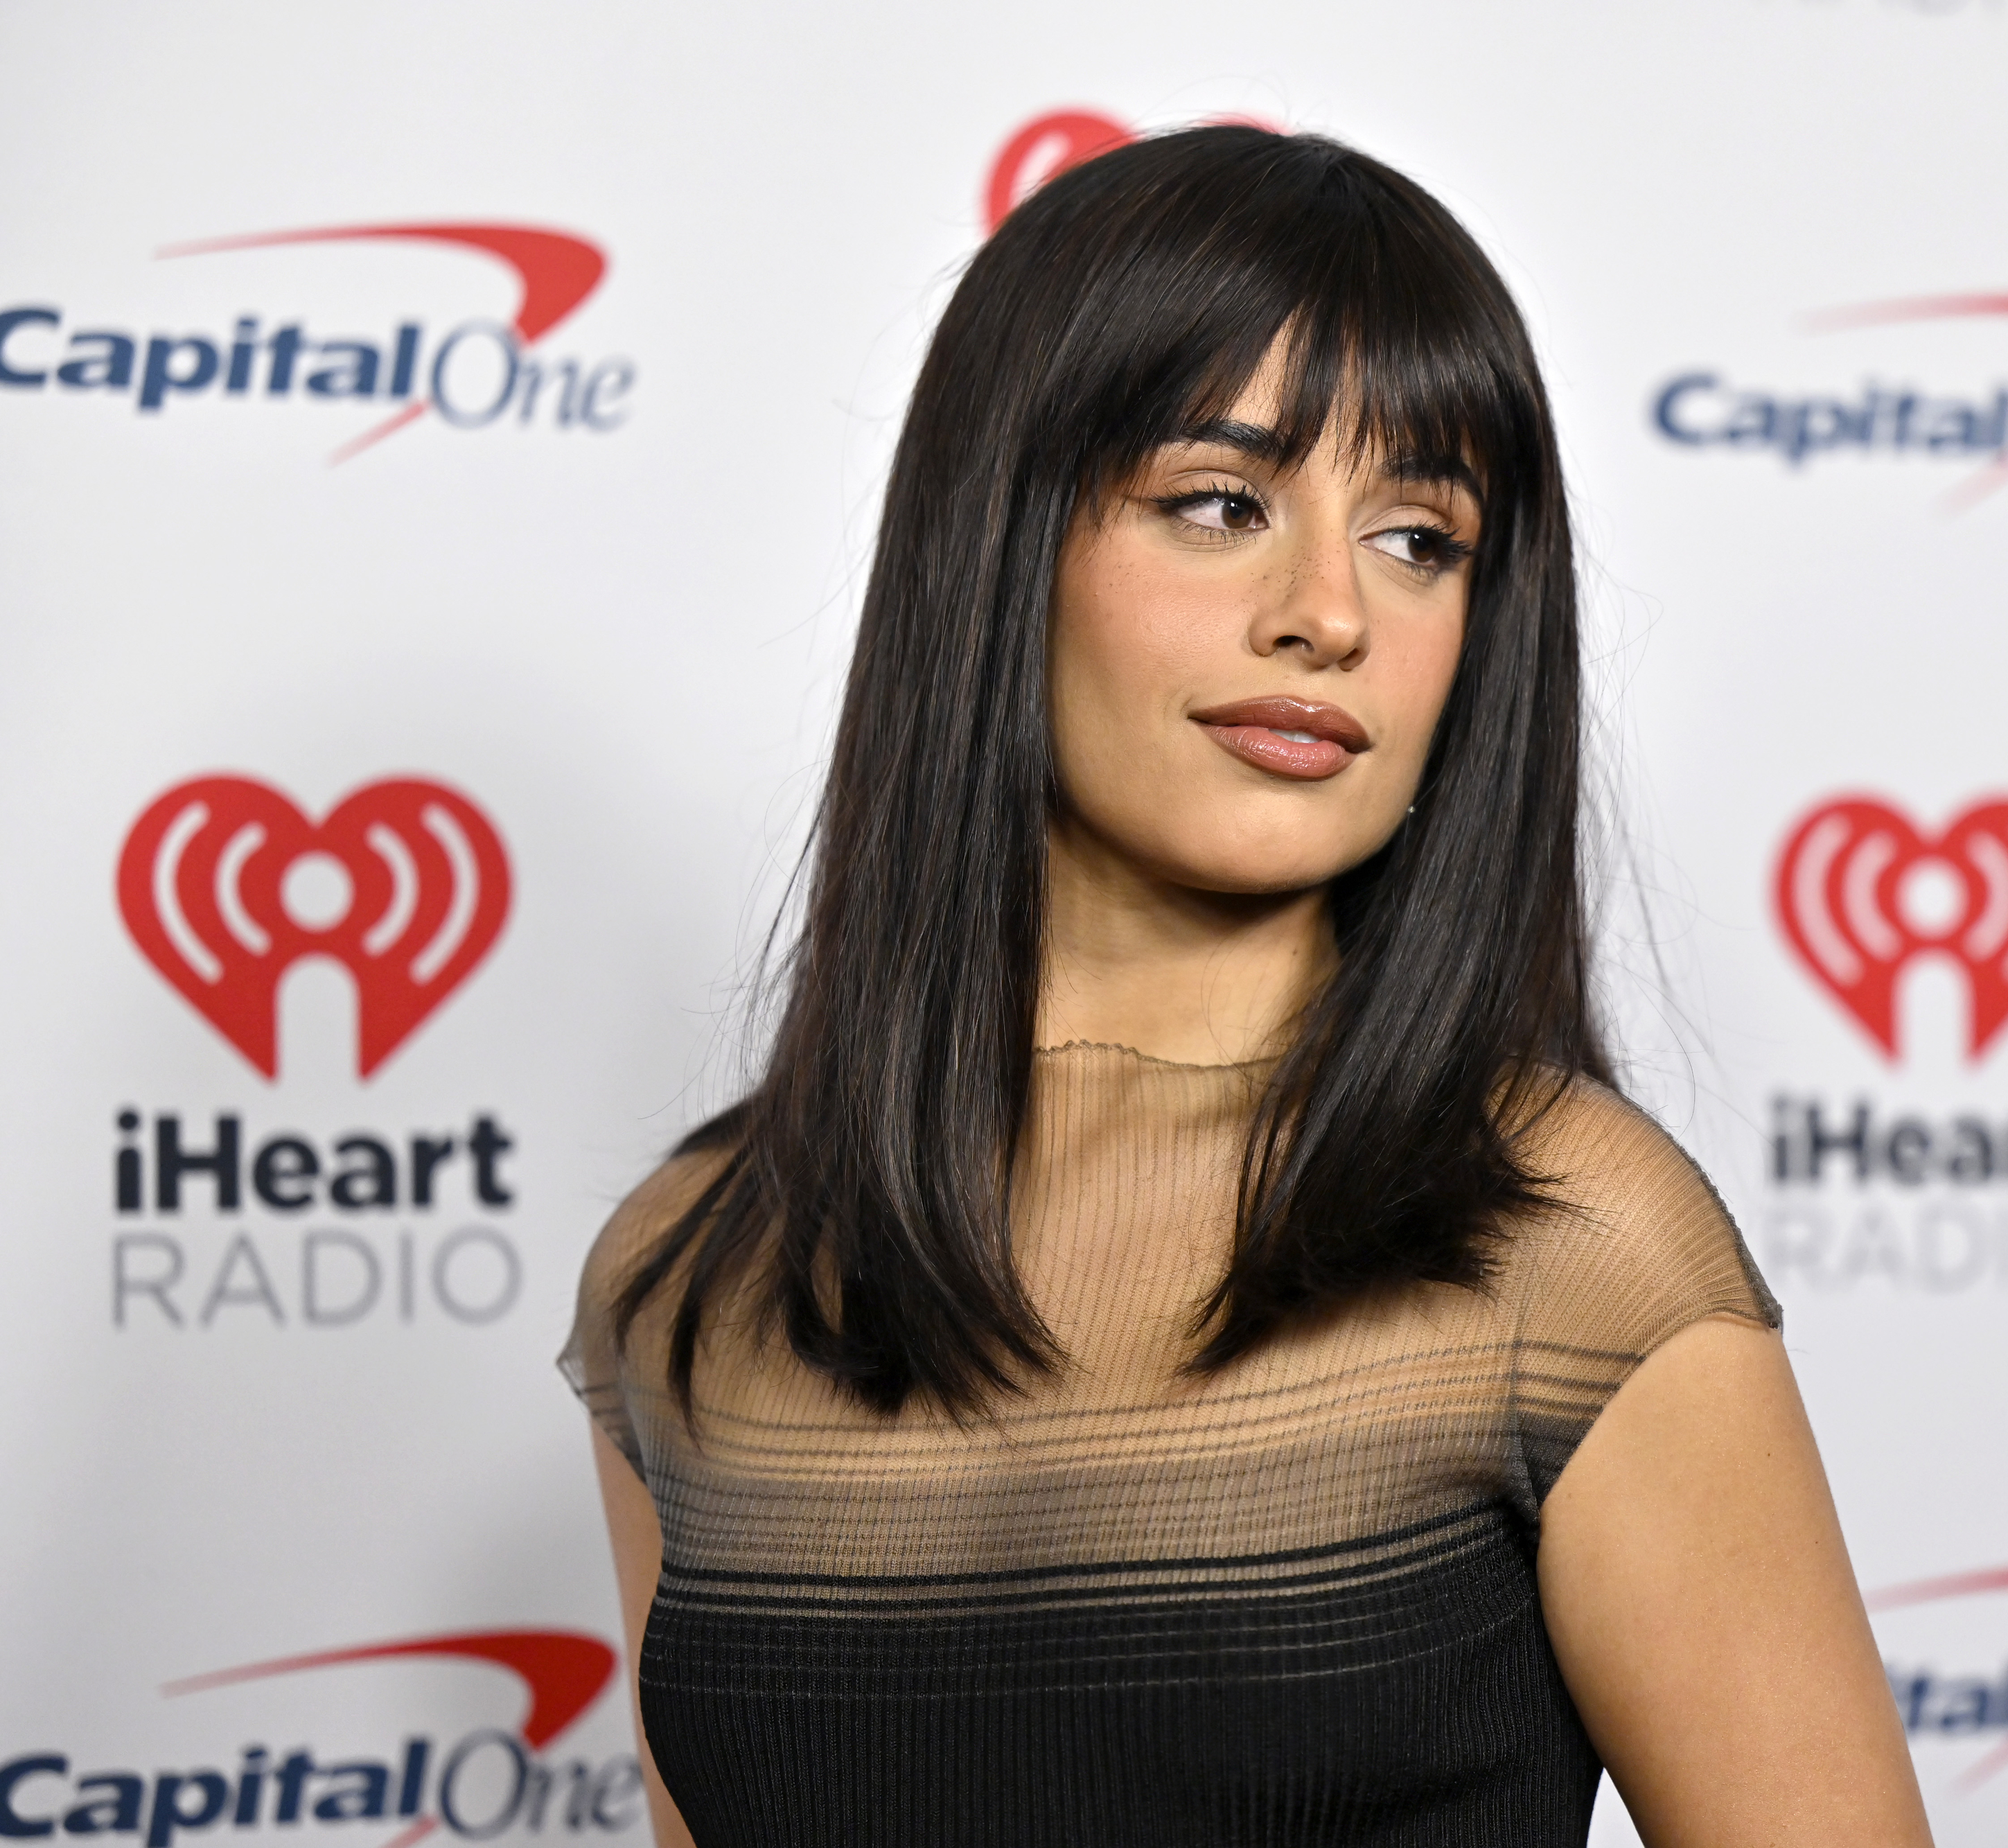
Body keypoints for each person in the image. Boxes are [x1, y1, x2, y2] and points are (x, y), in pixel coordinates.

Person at [564, 125, 1932, 1848]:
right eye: (1218, 502)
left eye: (1421, 537)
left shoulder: (1568, 1247)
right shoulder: (696, 1272)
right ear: (996, 550)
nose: (1328, 612)